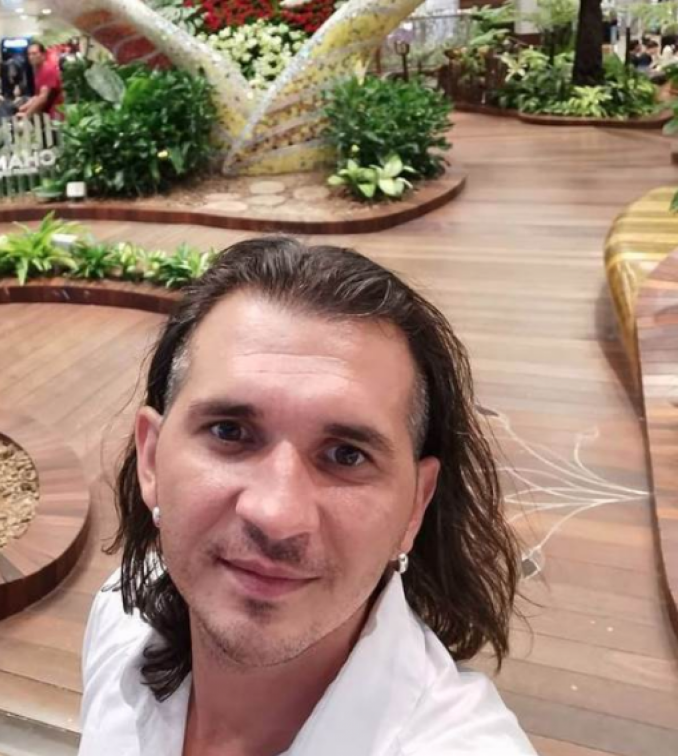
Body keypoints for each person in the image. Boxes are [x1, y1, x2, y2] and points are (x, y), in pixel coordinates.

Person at [79, 237, 537, 756]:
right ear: (151, 459)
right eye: (230, 432)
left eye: (346, 455)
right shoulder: (120, 615)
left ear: (416, 505)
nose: (276, 514)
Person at [18, 42, 63, 119]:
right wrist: (23, 108)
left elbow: (42, 98)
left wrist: (27, 115)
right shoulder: (39, 71)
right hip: (47, 115)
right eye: (29, 54)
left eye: (34, 54)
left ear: (43, 54)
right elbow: (37, 97)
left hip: (55, 116)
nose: (31, 57)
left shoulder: (48, 70)